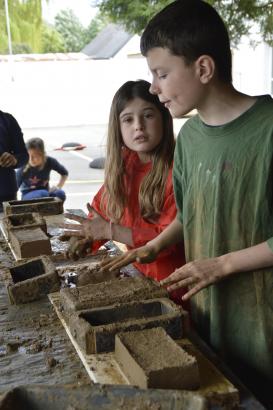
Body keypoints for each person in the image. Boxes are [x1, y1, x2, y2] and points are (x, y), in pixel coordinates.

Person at [99, 1, 273, 408]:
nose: (155, 88)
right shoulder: (191, 138)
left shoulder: (267, 130)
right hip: (213, 321)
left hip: (265, 329)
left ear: (204, 69)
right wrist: (156, 245)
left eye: (161, 74)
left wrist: (222, 264)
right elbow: (193, 213)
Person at [64, 79, 187, 306]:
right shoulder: (124, 165)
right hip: (138, 276)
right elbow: (100, 212)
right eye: (128, 119)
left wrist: (110, 231)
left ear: (164, 118)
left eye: (148, 115)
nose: (138, 126)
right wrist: (86, 238)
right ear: (118, 128)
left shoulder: (177, 170)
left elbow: (166, 241)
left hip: (174, 287)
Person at [16, 137, 68, 202]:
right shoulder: (23, 166)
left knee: (60, 193)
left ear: (42, 154)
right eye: (28, 156)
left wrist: (58, 186)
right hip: (27, 196)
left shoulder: (49, 161)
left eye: (34, 156)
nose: (31, 159)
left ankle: (55, 210)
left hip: (45, 193)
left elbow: (64, 173)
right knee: (43, 193)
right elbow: (14, 189)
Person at [0, 110, 28, 211]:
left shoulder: (7, 120)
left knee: (7, 225)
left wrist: (14, 159)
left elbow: (24, 156)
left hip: (5, 194)